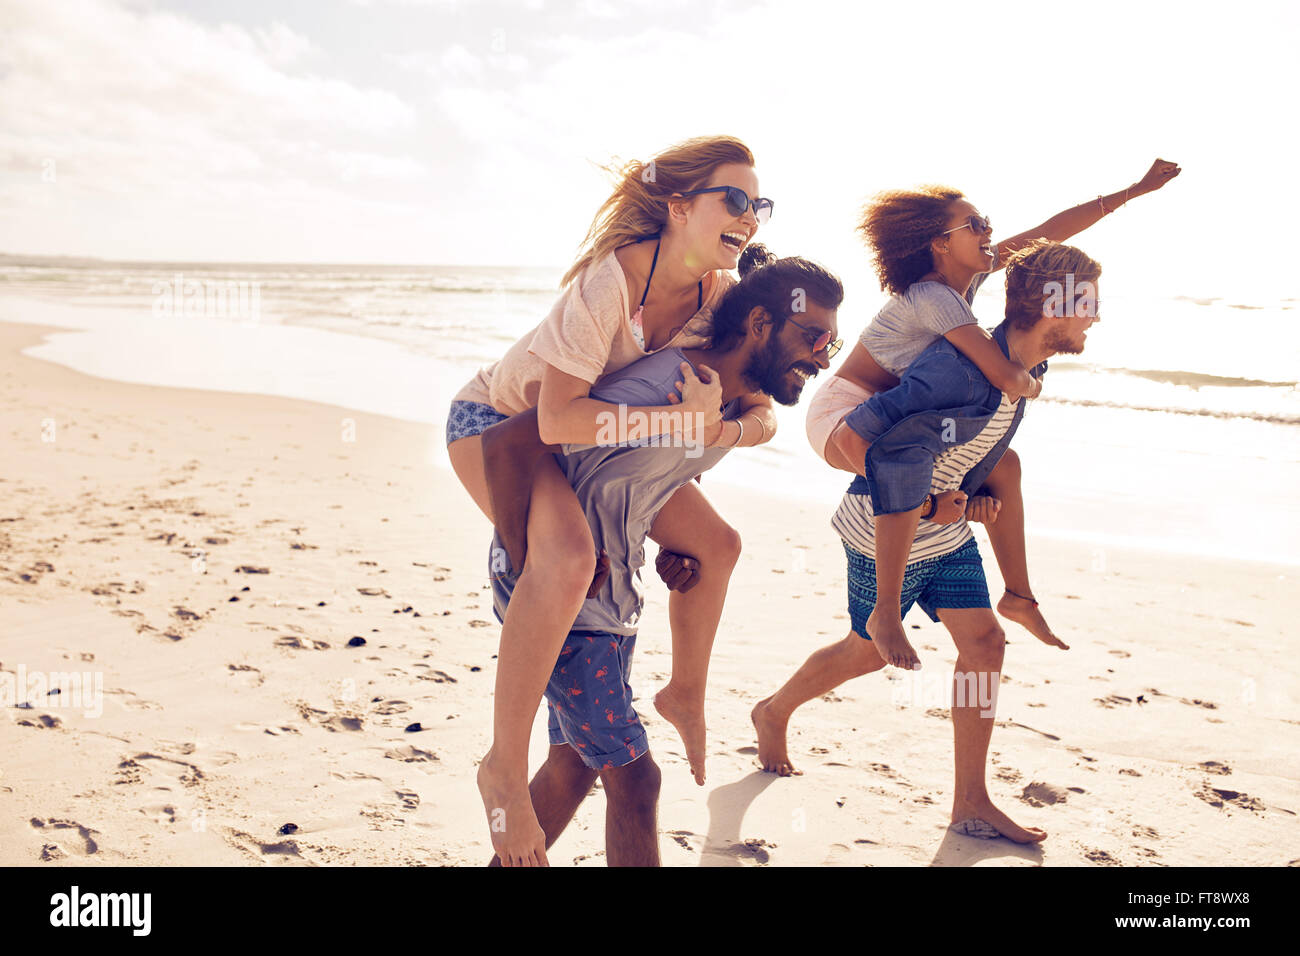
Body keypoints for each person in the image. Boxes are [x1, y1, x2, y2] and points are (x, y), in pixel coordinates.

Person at [445, 136, 779, 866]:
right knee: (568, 562)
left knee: (716, 546)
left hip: (589, 457)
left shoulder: (719, 298)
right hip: (499, 431)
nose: (751, 216)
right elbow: (556, 418)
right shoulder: (611, 281)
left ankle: (684, 693)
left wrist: (729, 426)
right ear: (679, 205)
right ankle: (502, 764)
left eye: (760, 204)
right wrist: (680, 422)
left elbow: (764, 407)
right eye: (736, 199)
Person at [486, 247, 844, 865]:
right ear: (760, 324)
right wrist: (531, 561)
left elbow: (640, 480)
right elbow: (515, 444)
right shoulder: (666, 383)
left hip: (616, 596)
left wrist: (673, 549)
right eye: (812, 336)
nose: (820, 356)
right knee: (636, 777)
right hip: (564, 597)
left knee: (574, 764)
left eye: (830, 346)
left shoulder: (726, 405)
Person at [753, 240, 1100, 844]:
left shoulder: (1023, 367)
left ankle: (970, 801)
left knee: (985, 645)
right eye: (1087, 303)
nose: (1096, 316)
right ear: (1052, 305)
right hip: (887, 525)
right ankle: (774, 710)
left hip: (944, 528)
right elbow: (875, 445)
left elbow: (970, 445)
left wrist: (969, 492)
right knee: (866, 651)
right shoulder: (951, 370)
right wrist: (922, 519)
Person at [805, 159, 1181, 665]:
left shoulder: (966, 282)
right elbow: (1005, 377)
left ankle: (1018, 596)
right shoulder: (934, 297)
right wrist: (1032, 384)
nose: (989, 231)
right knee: (911, 475)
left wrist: (1132, 192)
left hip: (883, 410)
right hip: (842, 416)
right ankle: (888, 614)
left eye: (987, 224)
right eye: (975, 225)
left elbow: (1047, 233)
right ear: (941, 243)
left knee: (1003, 466)